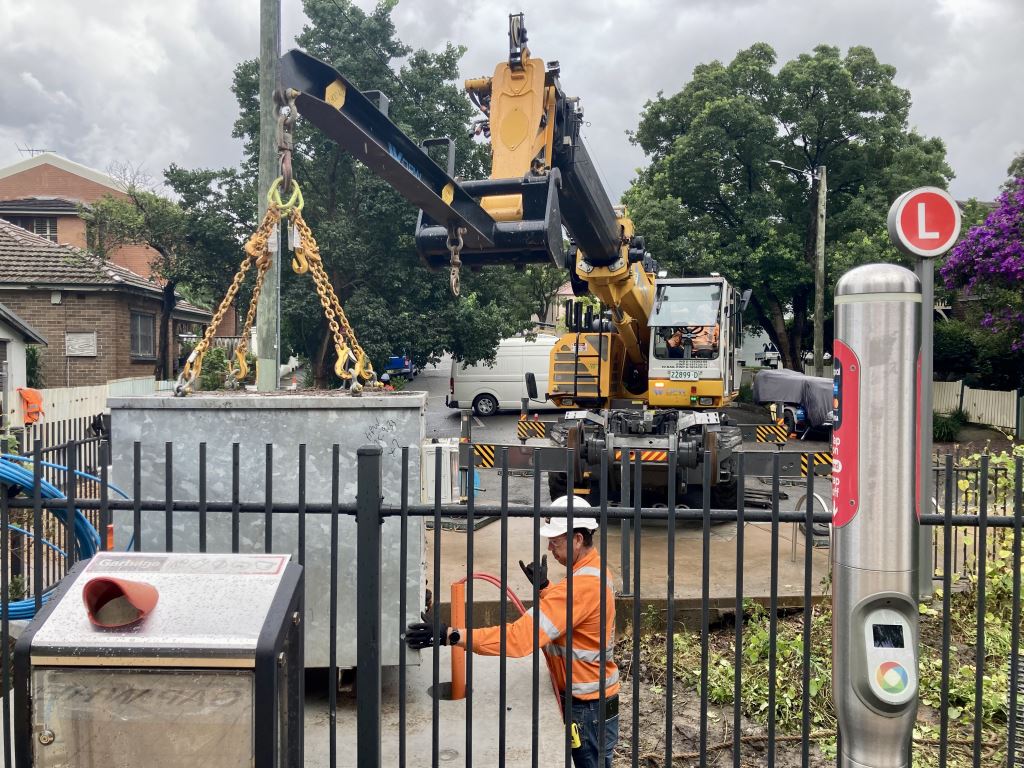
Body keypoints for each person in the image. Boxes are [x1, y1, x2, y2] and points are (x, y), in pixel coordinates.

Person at [405, 495, 618, 768]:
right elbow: (576, 615)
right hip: (594, 703)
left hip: (587, 709)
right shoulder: (594, 571)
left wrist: (450, 635)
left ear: (578, 539)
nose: (550, 548)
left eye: (555, 541)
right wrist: (545, 588)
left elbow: (518, 639)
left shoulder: (581, 586)